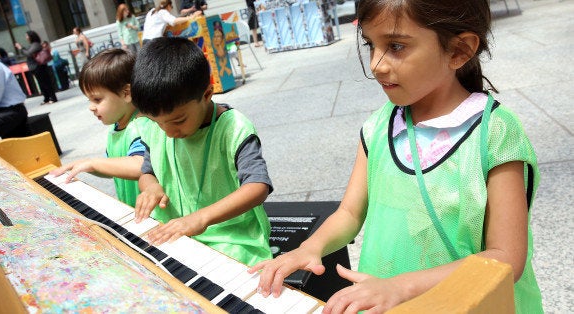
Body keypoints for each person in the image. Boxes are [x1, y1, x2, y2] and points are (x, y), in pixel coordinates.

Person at [250, 0, 543, 313]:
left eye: (396, 46)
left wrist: (401, 286)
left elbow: (507, 258)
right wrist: (310, 247)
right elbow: (349, 212)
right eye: (370, 45)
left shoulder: (495, 133)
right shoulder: (377, 128)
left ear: (458, 51)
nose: (377, 64)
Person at [131, 37, 273, 266]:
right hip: (175, 232)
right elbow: (147, 171)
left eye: (178, 120)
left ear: (207, 93)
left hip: (231, 238)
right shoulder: (158, 130)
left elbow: (257, 187)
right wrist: (151, 187)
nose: (168, 132)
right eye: (157, 123)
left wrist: (201, 218)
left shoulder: (234, 129)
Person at [49, 48, 147, 207]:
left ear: (126, 93)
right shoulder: (117, 128)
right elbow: (112, 167)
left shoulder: (141, 127)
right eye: (89, 100)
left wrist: (93, 163)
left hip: (155, 220)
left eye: (97, 99)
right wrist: (83, 165)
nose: (91, 107)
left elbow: (140, 166)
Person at [15, 30, 58, 105]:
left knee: (45, 83)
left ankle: (52, 98)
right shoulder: (33, 45)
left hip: (39, 66)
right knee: (41, 83)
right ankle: (46, 98)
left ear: (31, 36)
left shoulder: (36, 45)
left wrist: (21, 48)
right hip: (35, 67)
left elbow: (28, 54)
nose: (26, 38)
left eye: (27, 36)